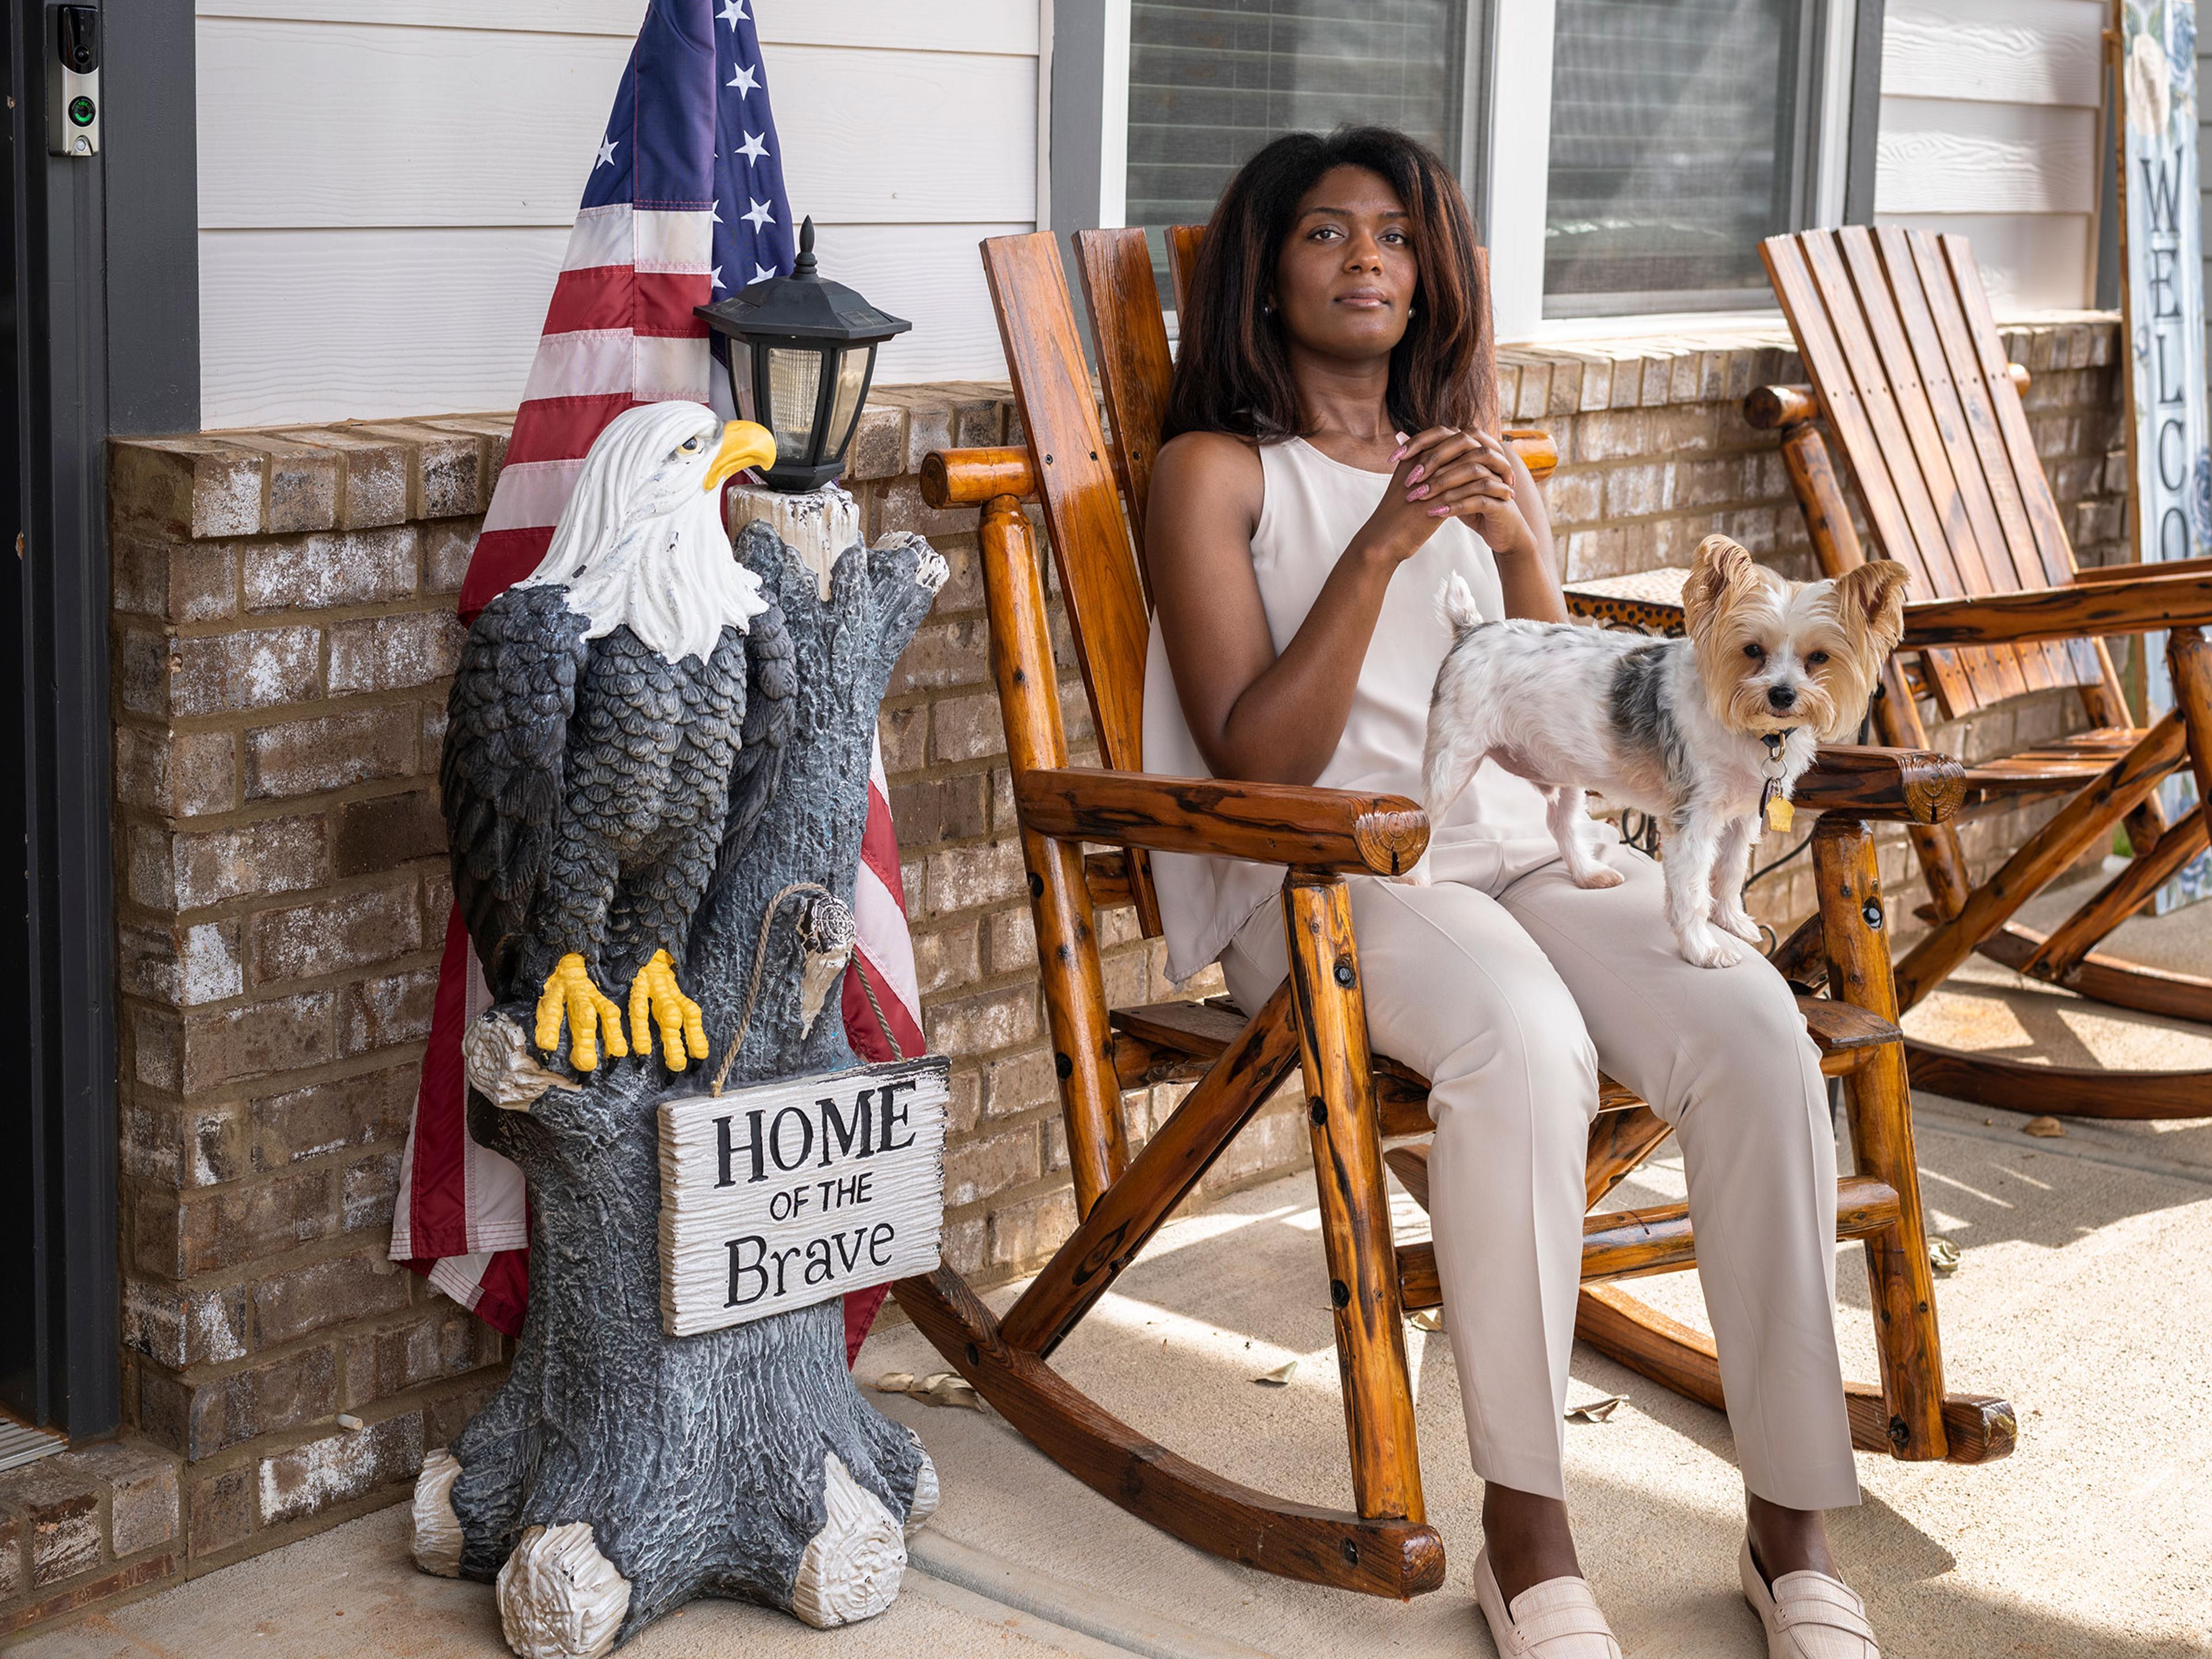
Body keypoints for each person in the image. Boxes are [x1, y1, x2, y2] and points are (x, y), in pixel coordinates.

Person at [1142, 127, 1880, 1659]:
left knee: (1753, 1029)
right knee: (1525, 1045)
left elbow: (1578, 704)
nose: (1368, 262)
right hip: (1334, 877)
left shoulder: (1471, 453)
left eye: (1397, 239)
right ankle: (1528, 1530)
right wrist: (1390, 538)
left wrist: (1516, 539)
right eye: (1327, 236)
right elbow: (1255, 753)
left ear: (1431, 280)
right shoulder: (1218, 475)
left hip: (1531, 849)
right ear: (1267, 279)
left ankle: (1791, 1520)